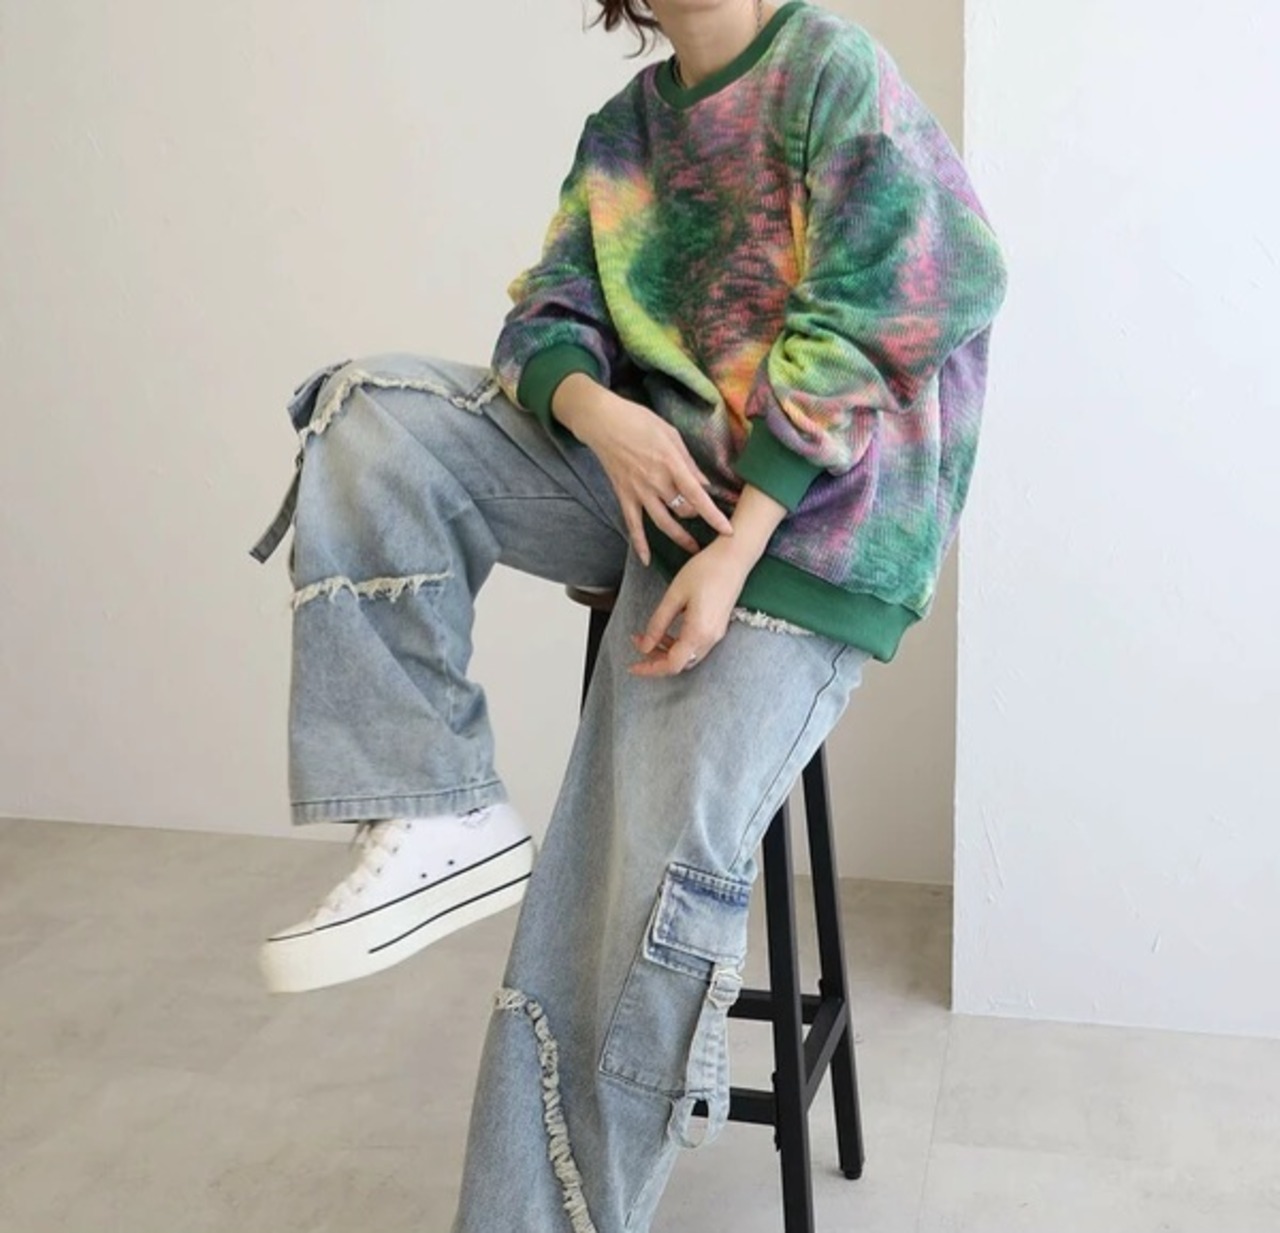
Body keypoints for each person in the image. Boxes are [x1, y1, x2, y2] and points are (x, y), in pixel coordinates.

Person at [247, 1, 1007, 1229]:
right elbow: (544, 319)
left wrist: (737, 545)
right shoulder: (624, 133)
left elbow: (913, 291)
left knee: (624, 899)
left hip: (805, 533)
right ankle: (433, 808)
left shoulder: (829, 73)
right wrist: (601, 416)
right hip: (652, 491)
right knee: (367, 413)